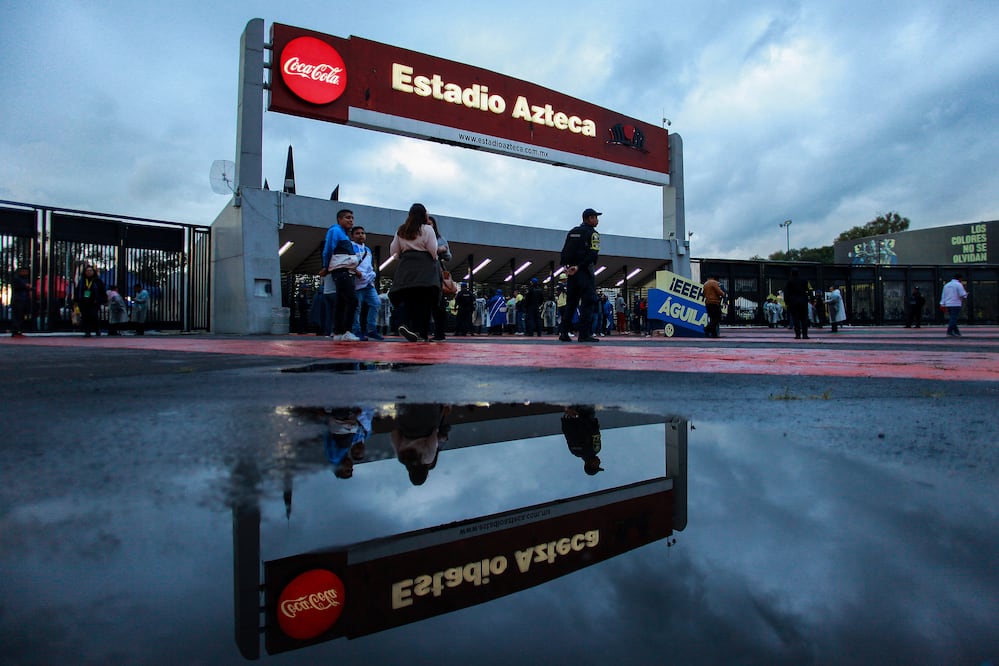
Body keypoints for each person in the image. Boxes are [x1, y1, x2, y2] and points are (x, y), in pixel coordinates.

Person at [389, 203, 440, 342]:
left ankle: (406, 324)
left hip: (406, 266)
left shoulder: (401, 230)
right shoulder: (427, 229)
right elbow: (433, 250)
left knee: (408, 299)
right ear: (424, 215)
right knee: (424, 302)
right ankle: (421, 333)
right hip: (424, 268)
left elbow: (394, 251)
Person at [559, 208, 602, 343]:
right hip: (584, 272)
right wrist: (579, 267)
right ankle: (584, 334)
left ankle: (564, 333)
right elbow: (592, 255)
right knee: (588, 302)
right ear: (589, 218)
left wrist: (567, 267)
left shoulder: (572, 232)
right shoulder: (593, 234)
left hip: (572, 274)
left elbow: (565, 251)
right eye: (595, 217)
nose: (597, 220)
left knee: (571, 303)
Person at [320, 209, 360, 341]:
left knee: (341, 302)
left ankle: (338, 332)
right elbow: (328, 249)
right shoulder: (335, 231)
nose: (351, 220)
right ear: (339, 219)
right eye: (348, 217)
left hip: (344, 270)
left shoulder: (343, 234)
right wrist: (326, 267)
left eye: (352, 218)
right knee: (352, 300)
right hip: (341, 271)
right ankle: (346, 331)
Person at [391, 404, 451, 485]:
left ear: (425, 474)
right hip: (406, 421)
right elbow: (394, 434)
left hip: (427, 419)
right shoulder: (402, 459)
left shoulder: (427, 458)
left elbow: (433, 438)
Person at [349, 225, 383, 341]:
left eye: (362, 233)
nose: (361, 235)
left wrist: (371, 275)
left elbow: (369, 266)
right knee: (356, 307)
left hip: (368, 282)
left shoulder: (367, 250)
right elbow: (348, 263)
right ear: (352, 236)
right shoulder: (350, 247)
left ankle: (371, 329)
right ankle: (356, 330)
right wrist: (357, 273)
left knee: (376, 303)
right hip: (357, 282)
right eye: (357, 233)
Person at [427, 216, 452, 340]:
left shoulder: (440, 238)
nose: (428, 226)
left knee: (438, 303)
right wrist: (438, 249)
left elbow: (448, 256)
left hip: (436, 273)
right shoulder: (419, 238)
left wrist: (441, 250)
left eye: (430, 224)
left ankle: (439, 333)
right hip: (422, 273)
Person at [561, 405, 604, 475]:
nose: (599, 462)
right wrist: (567, 416)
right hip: (572, 414)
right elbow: (567, 433)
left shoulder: (596, 449)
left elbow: (595, 431)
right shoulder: (575, 452)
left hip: (586, 413)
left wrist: (580, 417)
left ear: (591, 465)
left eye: (597, 465)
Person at [74, 266, 107, 337]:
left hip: (94, 302)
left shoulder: (97, 281)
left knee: (93, 315)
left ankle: (97, 329)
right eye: (87, 271)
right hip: (84, 302)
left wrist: (102, 299)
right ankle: (87, 331)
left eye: (90, 271)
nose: (89, 272)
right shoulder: (82, 281)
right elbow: (77, 291)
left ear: (93, 272)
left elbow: (102, 291)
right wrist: (76, 301)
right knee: (85, 316)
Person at [783, 269, 810, 340]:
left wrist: (786, 302)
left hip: (793, 301)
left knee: (795, 318)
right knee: (804, 318)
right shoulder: (804, 280)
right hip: (803, 301)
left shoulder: (789, 281)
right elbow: (809, 290)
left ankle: (798, 334)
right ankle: (805, 334)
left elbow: (786, 292)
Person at [9, 266, 33, 337]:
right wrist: (27, 286)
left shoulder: (23, 279)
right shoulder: (17, 279)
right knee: (18, 315)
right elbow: (21, 286)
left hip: (21, 299)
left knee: (20, 315)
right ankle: (15, 330)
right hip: (18, 299)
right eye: (25, 271)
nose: (26, 273)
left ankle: (18, 330)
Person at [703, 273, 725, 338]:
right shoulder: (714, 283)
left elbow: (704, 293)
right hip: (714, 303)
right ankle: (707, 328)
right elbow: (719, 292)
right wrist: (723, 294)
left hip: (707, 303)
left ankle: (714, 334)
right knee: (718, 318)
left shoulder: (705, 284)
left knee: (712, 318)